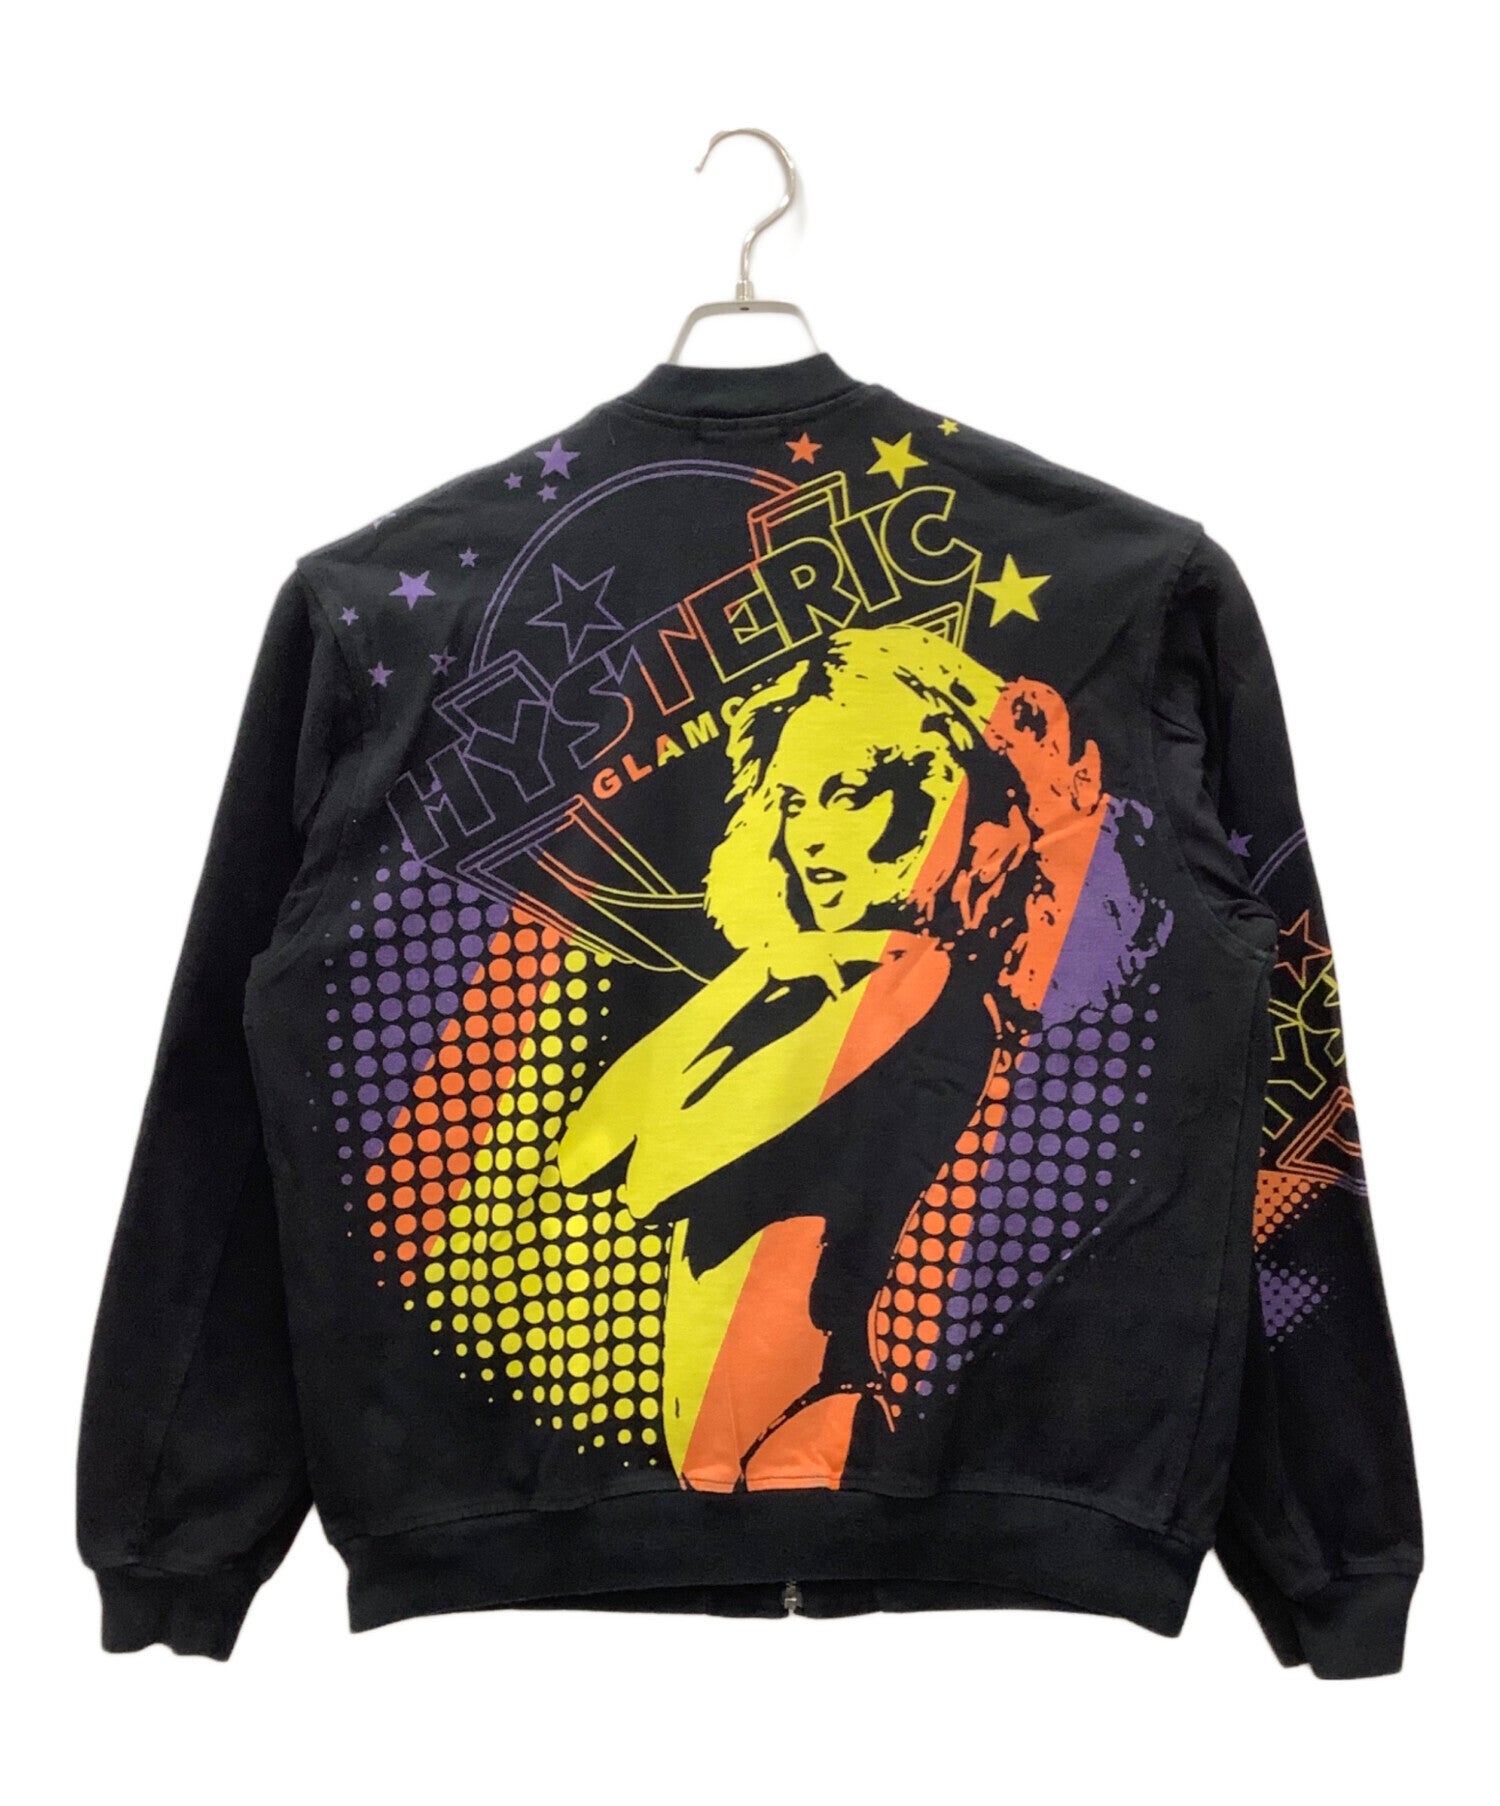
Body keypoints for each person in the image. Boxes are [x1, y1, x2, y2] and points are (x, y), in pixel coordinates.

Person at [556, 622, 1092, 1486]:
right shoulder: (810, 981)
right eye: (795, 800)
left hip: (822, 1439)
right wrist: (766, 965)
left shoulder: (926, 987)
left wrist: (771, 972)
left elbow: (652, 1175)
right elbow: (586, 1148)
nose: (806, 836)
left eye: (846, 794)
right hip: (742, 1458)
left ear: (939, 803)